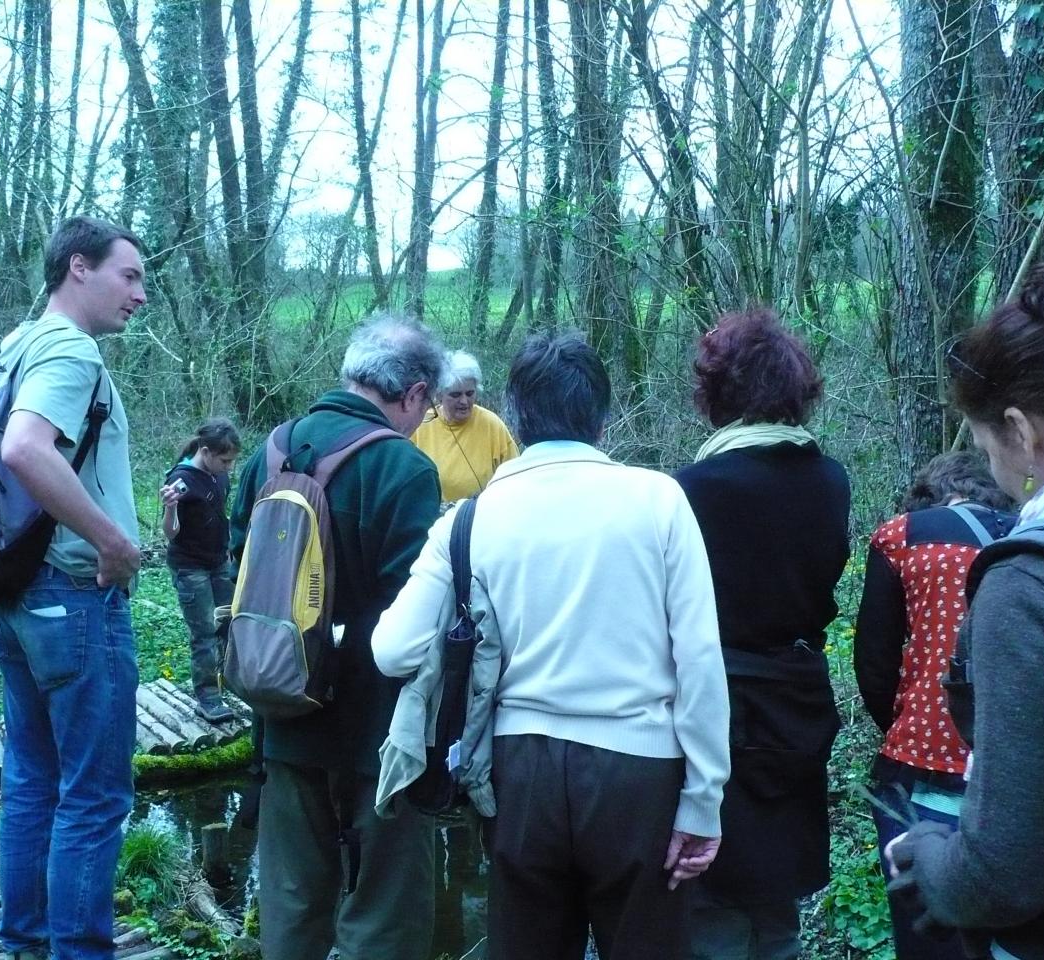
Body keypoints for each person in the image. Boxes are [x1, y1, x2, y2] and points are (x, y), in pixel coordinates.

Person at [374, 332, 731, 960]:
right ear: (602, 412)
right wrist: (703, 801)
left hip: (518, 778)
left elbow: (393, 650)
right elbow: (699, 658)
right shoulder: (659, 499)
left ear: (514, 411)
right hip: (639, 774)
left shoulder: (469, 518)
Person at [886, 250, 1044, 958]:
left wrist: (932, 855)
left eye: (987, 446)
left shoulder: (1035, 586)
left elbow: (1004, 877)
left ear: (1023, 432)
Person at [228, 313, 444, 960]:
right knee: (383, 916)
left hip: (284, 715)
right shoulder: (403, 469)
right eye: (424, 406)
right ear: (412, 395)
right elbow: (414, 616)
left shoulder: (271, 451)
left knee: (292, 909)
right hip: (376, 737)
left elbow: (240, 585)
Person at [0, 215, 145, 960]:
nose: (140, 295)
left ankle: (25, 941)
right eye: (130, 275)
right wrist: (112, 539)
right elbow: (23, 448)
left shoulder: (11, 343)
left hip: (19, 595)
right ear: (79, 267)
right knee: (93, 796)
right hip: (75, 596)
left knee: (31, 778)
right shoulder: (67, 349)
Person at [673, 308, 850, 960]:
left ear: (718, 392)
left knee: (714, 904)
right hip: (797, 699)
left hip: (716, 705)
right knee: (778, 903)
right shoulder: (830, 480)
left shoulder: (692, 489)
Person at [854, 452, 1015, 960]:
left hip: (923, 768)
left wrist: (905, 725)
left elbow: (875, 663)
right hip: (1024, 771)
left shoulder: (904, 537)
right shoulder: (1036, 534)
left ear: (927, 494)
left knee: (927, 931)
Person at [160, 418, 241, 723]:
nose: (229, 467)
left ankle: (230, 682)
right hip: (190, 568)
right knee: (205, 633)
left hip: (219, 562)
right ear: (206, 452)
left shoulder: (219, 477)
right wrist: (169, 508)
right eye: (225, 460)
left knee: (228, 624)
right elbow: (170, 532)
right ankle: (208, 699)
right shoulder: (180, 480)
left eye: (232, 460)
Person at [411, 349, 518, 502]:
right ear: (439, 395)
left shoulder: (492, 425)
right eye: (455, 395)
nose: (464, 401)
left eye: (469, 393)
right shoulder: (421, 424)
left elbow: (514, 477)